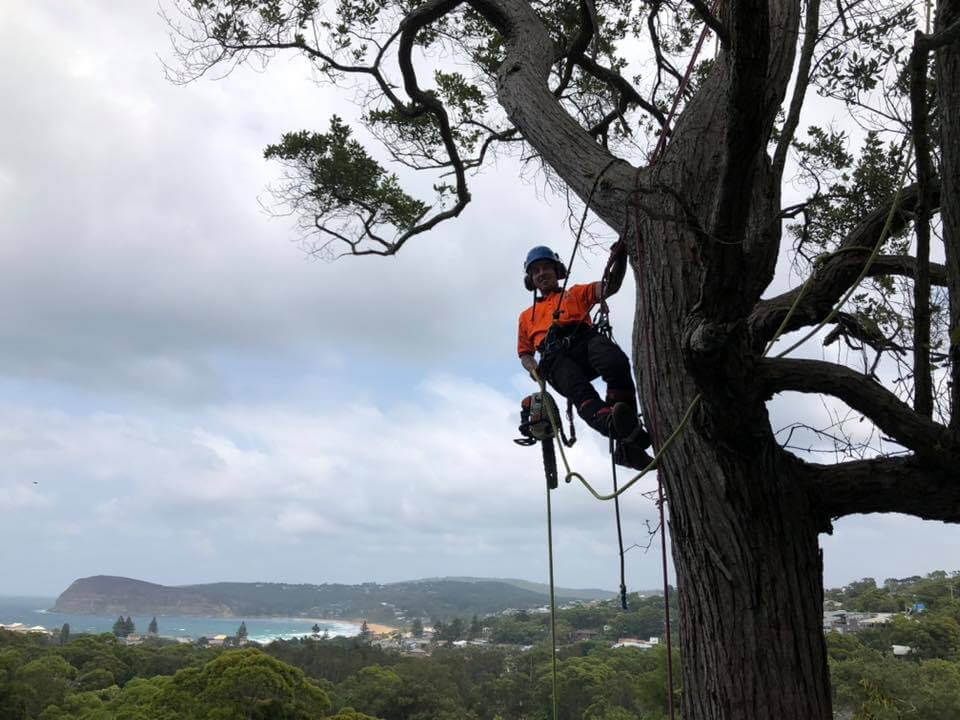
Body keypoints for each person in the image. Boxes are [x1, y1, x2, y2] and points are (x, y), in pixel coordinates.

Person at [517, 244, 653, 469]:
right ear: (530, 279)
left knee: (615, 362)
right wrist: (534, 370)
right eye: (536, 270)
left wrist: (619, 260)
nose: (541, 273)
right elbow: (525, 353)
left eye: (546, 267)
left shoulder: (577, 293)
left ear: (557, 270)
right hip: (553, 358)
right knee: (580, 392)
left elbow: (610, 286)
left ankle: (626, 435)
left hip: (583, 340)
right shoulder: (525, 317)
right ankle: (621, 435)